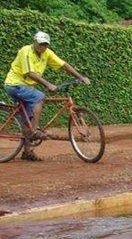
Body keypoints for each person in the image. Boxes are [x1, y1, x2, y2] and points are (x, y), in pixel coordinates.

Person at [3, 31, 90, 161]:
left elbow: (63, 65)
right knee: (39, 97)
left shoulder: (47, 53)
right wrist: (48, 84)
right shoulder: (26, 51)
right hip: (14, 85)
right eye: (40, 43)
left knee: (28, 120)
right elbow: (30, 73)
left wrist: (80, 77)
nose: (42, 47)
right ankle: (35, 132)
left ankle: (27, 152)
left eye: (45, 44)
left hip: (25, 87)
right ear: (34, 42)